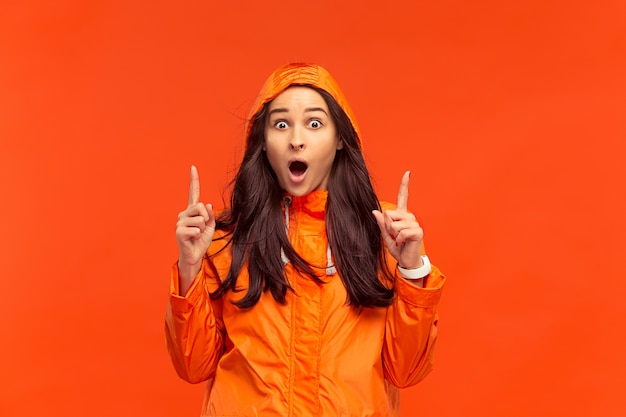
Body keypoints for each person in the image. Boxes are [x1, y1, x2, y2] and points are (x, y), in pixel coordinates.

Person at [165, 62, 446, 417]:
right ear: (263, 143)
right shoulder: (227, 237)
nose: (296, 138)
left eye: (315, 124)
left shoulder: (385, 231)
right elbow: (193, 367)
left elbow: (407, 371)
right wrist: (190, 268)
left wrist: (410, 271)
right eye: (281, 124)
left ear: (340, 138)